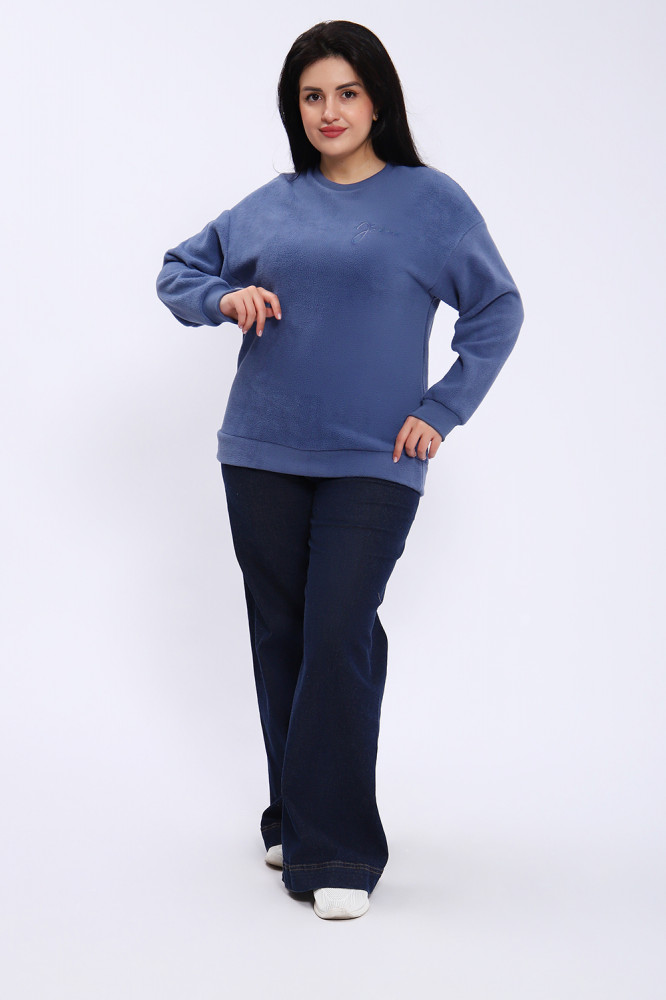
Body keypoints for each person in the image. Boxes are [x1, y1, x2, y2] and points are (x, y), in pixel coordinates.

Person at [156, 19, 524, 920]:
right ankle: (296, 816)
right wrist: (223, 296)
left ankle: (341, 853)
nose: (329, 111)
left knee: (339, 634)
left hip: (375, 458)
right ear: (296, 108)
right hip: (261, 451)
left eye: (347, 93)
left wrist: (442, 409)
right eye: (312, 96)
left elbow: (497, 309)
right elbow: (178, 272)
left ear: (377, 101)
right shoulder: (271, 204)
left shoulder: (431, 203)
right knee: (282, 633)